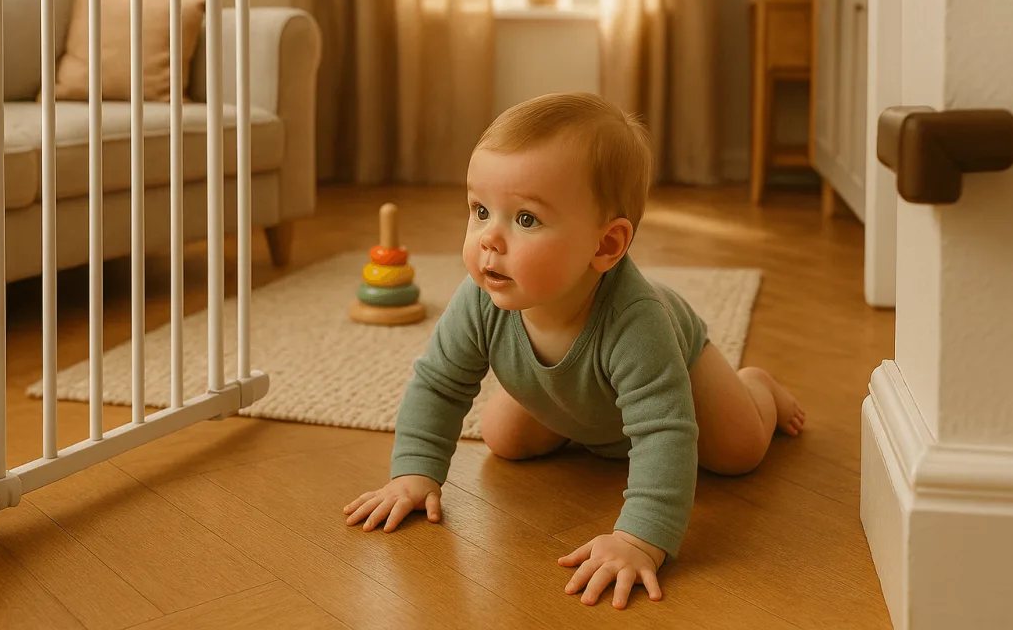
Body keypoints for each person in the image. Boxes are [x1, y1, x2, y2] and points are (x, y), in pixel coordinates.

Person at [343, 92, 805, 610]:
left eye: (525, 220)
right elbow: (439, 384)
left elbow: (664, 433)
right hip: (585, 396)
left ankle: (757, 387)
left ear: (606, 246)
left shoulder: (638, 322)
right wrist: (414, 473)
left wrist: (639, 539)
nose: (489, 239)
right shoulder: (479, 298)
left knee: (739, 451)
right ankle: (563, 394)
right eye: (480, 211)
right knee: (503, 437)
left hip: (681, 379)